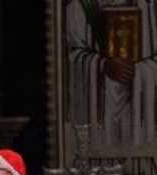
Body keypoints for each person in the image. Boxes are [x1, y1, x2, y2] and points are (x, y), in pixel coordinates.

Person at [66, 0, 157, 147]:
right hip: (97, 118)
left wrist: (138, 70)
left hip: (141, 120)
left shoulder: (150, 7)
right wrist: (103, 65)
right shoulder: (78, 7)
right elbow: (69, 60)